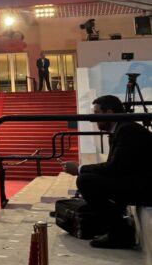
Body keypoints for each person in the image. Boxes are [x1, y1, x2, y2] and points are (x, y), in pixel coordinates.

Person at [60, 94, 150, 249]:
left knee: (85, 181)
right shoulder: (120, 129)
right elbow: (114, 167)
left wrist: (80, 169)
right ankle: (118, 228)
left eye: (96, 113)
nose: (93, 119)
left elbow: (115, 168)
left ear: (109, 112)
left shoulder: (127, 130)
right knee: (89, 179)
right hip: (139, 182)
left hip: (146, 187)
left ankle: (120, 233)